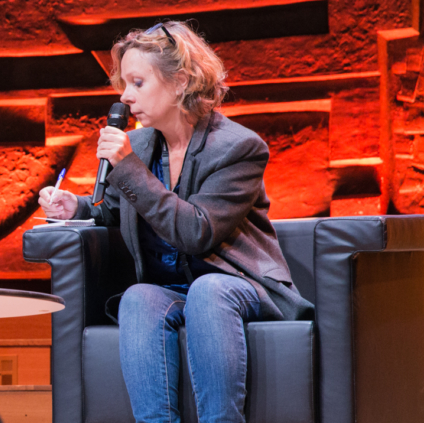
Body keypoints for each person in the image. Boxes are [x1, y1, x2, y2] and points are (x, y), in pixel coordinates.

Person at [37, 21, 313, 423]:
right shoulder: (141, 145)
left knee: (208, 290)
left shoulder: (238, 148)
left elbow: (197, 232)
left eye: (137, 83)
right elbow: (115, 208)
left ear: (180, 82)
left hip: (236, 285)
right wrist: (75, 207)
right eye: (123, 85)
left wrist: (128, 167)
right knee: (138, 297)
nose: (125, 97)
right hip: (173, 289)